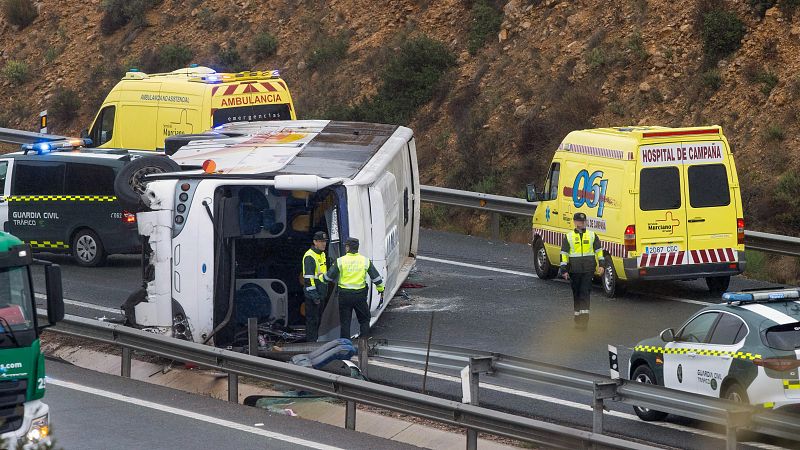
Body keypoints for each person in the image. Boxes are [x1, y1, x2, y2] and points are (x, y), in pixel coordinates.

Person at [324, 237, 385, 338]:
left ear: (347, 247)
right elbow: (376, 278)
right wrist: (380, 289)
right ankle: (363, 342)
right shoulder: (365, 261)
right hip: (359, 296)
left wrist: (320, 278)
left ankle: (345, 346)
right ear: (357, 248)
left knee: (345, 322)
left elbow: (328, 277)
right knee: (364, 319)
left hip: (344, 296)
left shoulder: (340, 261)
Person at [559, 212, 605, 327]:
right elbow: (564, 254)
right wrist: (563, 270)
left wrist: (602, 265)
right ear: (574, 222)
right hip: (574, 270)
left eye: (584, 221)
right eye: (580, 221)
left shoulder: (592, 235)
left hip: (588, 270)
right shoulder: (568, 237)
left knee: (585, 293)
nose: (582, 223)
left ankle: (584, 321)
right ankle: (577, 318)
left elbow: (599, 251)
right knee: (577, 294)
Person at [302, 231, 329, 342]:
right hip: (313, 295)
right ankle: (311, 343)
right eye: (321, 241)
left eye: (325, 242)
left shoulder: (321, 254)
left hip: (320, 294)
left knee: (318, 320)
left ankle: (316, 341)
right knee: (312, 321)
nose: (324, 244)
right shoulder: (310, 256)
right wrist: (314, 296)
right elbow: (308, 279)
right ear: (315, 242)